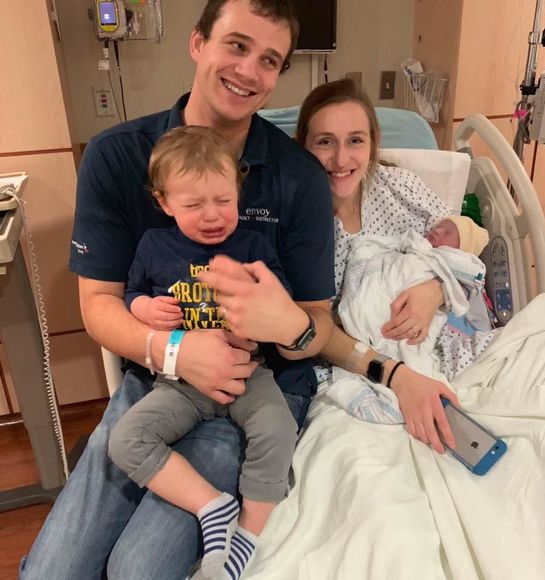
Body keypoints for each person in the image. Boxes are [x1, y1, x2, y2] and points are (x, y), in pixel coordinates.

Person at [20, 2, 337, 579]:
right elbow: (99, 304)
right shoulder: (117, 157)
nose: (249, 70)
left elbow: (316, 322)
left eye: (270, 60)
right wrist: (174, 351)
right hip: (158, 382)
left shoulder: (298, 178)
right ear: (197, 43)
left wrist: (281, 323)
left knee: (138, 569)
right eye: (236, 45)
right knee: (52, 573)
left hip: (253, 384)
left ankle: (241, 533)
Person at [108, 125, 306, 579]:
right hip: (179, 383)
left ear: (238, 192)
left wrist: (257, 312)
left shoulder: (253, 246)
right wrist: (145, 308)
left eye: (223, 200)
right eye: (194, 205)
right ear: (164, 202)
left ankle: (249, 534)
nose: (213, 215)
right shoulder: (154, 245)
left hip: (245, 374)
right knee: (125, 440)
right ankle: (212, 507)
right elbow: (131, 293)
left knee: (279, 429)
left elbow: (282, 302)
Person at [292, 78, 496, 453]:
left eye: (355, 140)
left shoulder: (400, 186)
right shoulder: (296, 216)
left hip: (441, 344)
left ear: (373, 143)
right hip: (356, 365)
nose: (341, 159)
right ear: (301, 147)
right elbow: (307, 329)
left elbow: (461, 246)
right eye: (325, 142)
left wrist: (435, 290)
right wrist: (397, 376)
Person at [326, 215, 492, 425]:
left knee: (412, 354)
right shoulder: (409, 245)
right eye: (439, 227)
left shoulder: (447, 262)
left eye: (448, 232)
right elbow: (377, 251)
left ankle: (403, 394)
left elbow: (473, 273)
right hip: (360, 320)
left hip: (408, 331)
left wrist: (438, 289)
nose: (437, 231)